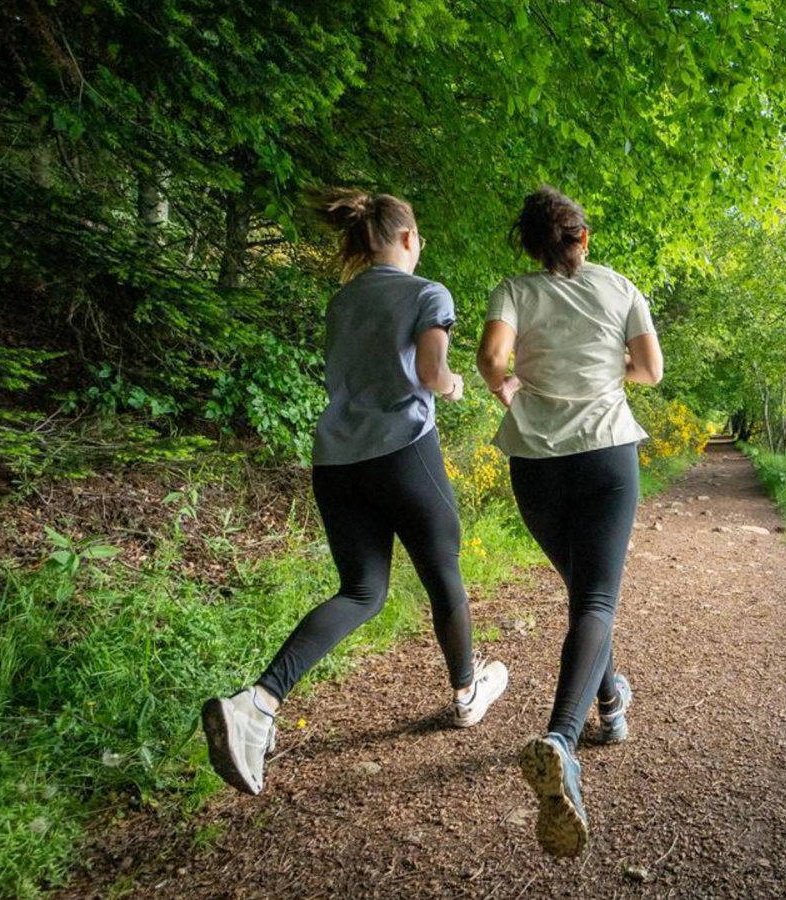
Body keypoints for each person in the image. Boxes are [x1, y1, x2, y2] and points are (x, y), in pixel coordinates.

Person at [201, 189, 509, 796]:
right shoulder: (428, 293)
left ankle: (256, 705)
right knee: (442, 568)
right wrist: (449, 388)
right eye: (418, 237)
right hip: (402, 451)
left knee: (363, 589)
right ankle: (466, 692)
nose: (421, 247)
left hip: (336, 459)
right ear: (405, 238)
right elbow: (428, 370)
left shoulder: (342, 301)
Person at [476, 186, 663, 857]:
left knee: (584, 592)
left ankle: (611, 706)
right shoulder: (619, 287)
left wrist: (510, 388)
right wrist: (609, 367)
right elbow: (650, 369)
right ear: (580, 236)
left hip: (537, 462)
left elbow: (493, 359)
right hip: (608, 454)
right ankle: (562, 738)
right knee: (596, 598)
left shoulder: (512, 292)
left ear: (529, 244)